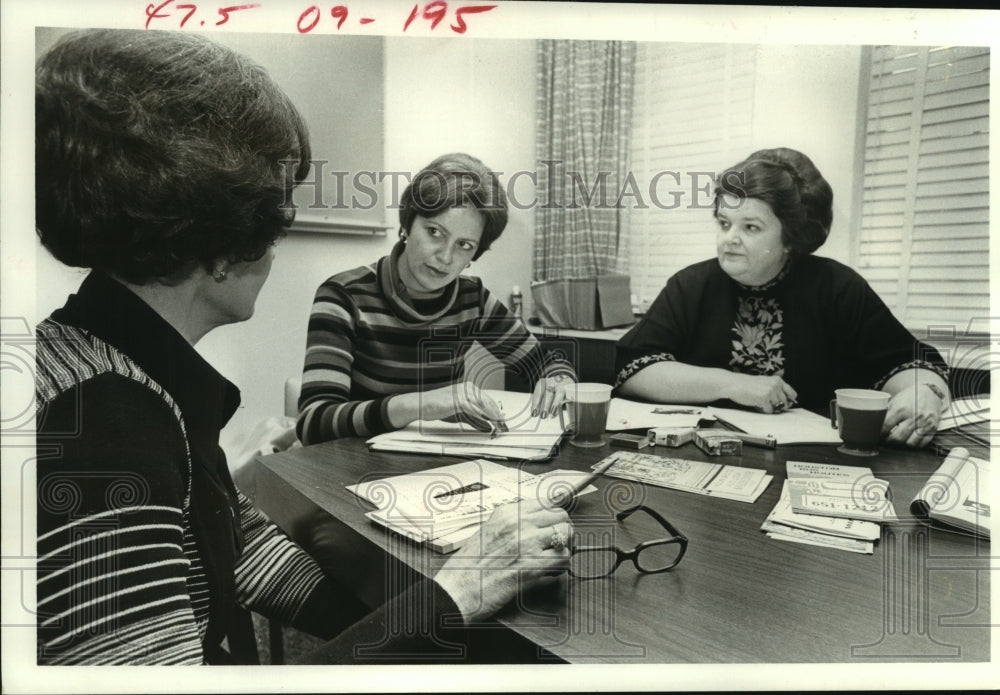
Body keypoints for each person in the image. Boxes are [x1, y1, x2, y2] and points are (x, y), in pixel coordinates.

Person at [34, 29, 571, 665]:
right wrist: (458, 594)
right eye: (276, 218)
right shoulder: (105, 419)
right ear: (224, 244)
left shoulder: (115, 363)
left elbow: (239, 547)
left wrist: (421, 619)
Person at [615, 147, 950, 448]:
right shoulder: (691, 285)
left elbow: (911, 365)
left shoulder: (837, 286)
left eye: (750, 227)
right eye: (724, 223)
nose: (729, 239)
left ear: (791, 238)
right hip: (704, 453)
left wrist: (926, 393)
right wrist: (731, 384)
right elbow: (633, 370)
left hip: (817, 460)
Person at [296, 152, 576, 445]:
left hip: (440, 462)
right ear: (407, 224)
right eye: (434, 232)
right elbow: (312, 423)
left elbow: (548, 363)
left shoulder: (473, 299)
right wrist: (420, 405)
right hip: (350, 464)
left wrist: (558, 380)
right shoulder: (343, 295)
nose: (445, 257)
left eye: (464, 245)